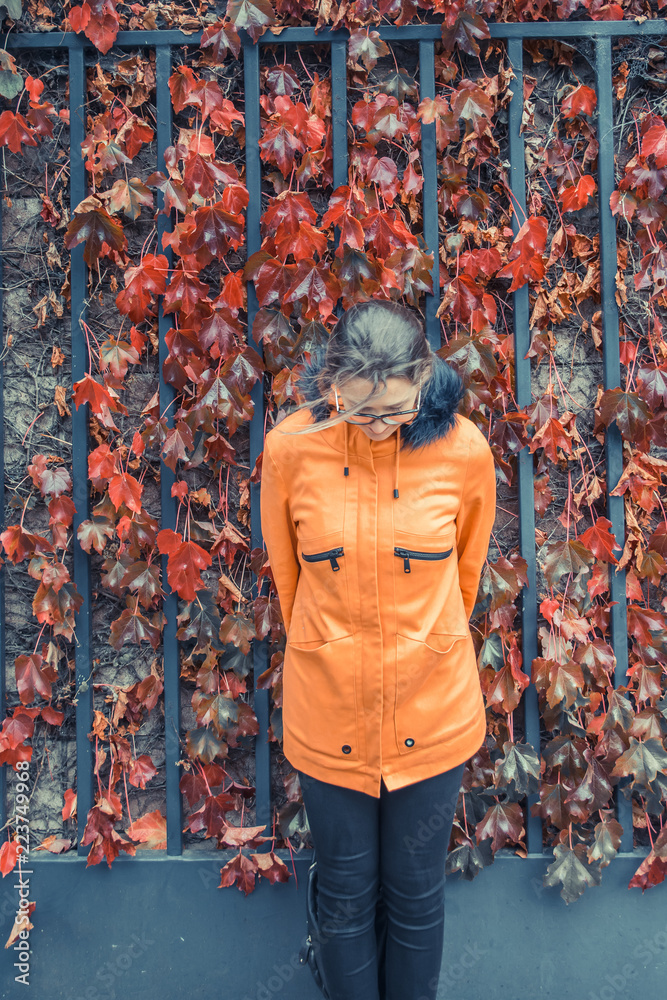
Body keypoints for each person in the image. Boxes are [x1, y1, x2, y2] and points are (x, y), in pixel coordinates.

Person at [259, 299, 496, 1000]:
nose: (377, 425)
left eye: (393, 411)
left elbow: (466, 574)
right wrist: (333, 648)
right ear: (331, 381)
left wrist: (420, 644)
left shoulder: (464, 451)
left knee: (417, 892)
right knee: (343, 892)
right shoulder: (290, 449)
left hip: (435, 711)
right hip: (327, 712)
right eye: (358, 411)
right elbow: (288, 579)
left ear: (422, 379)